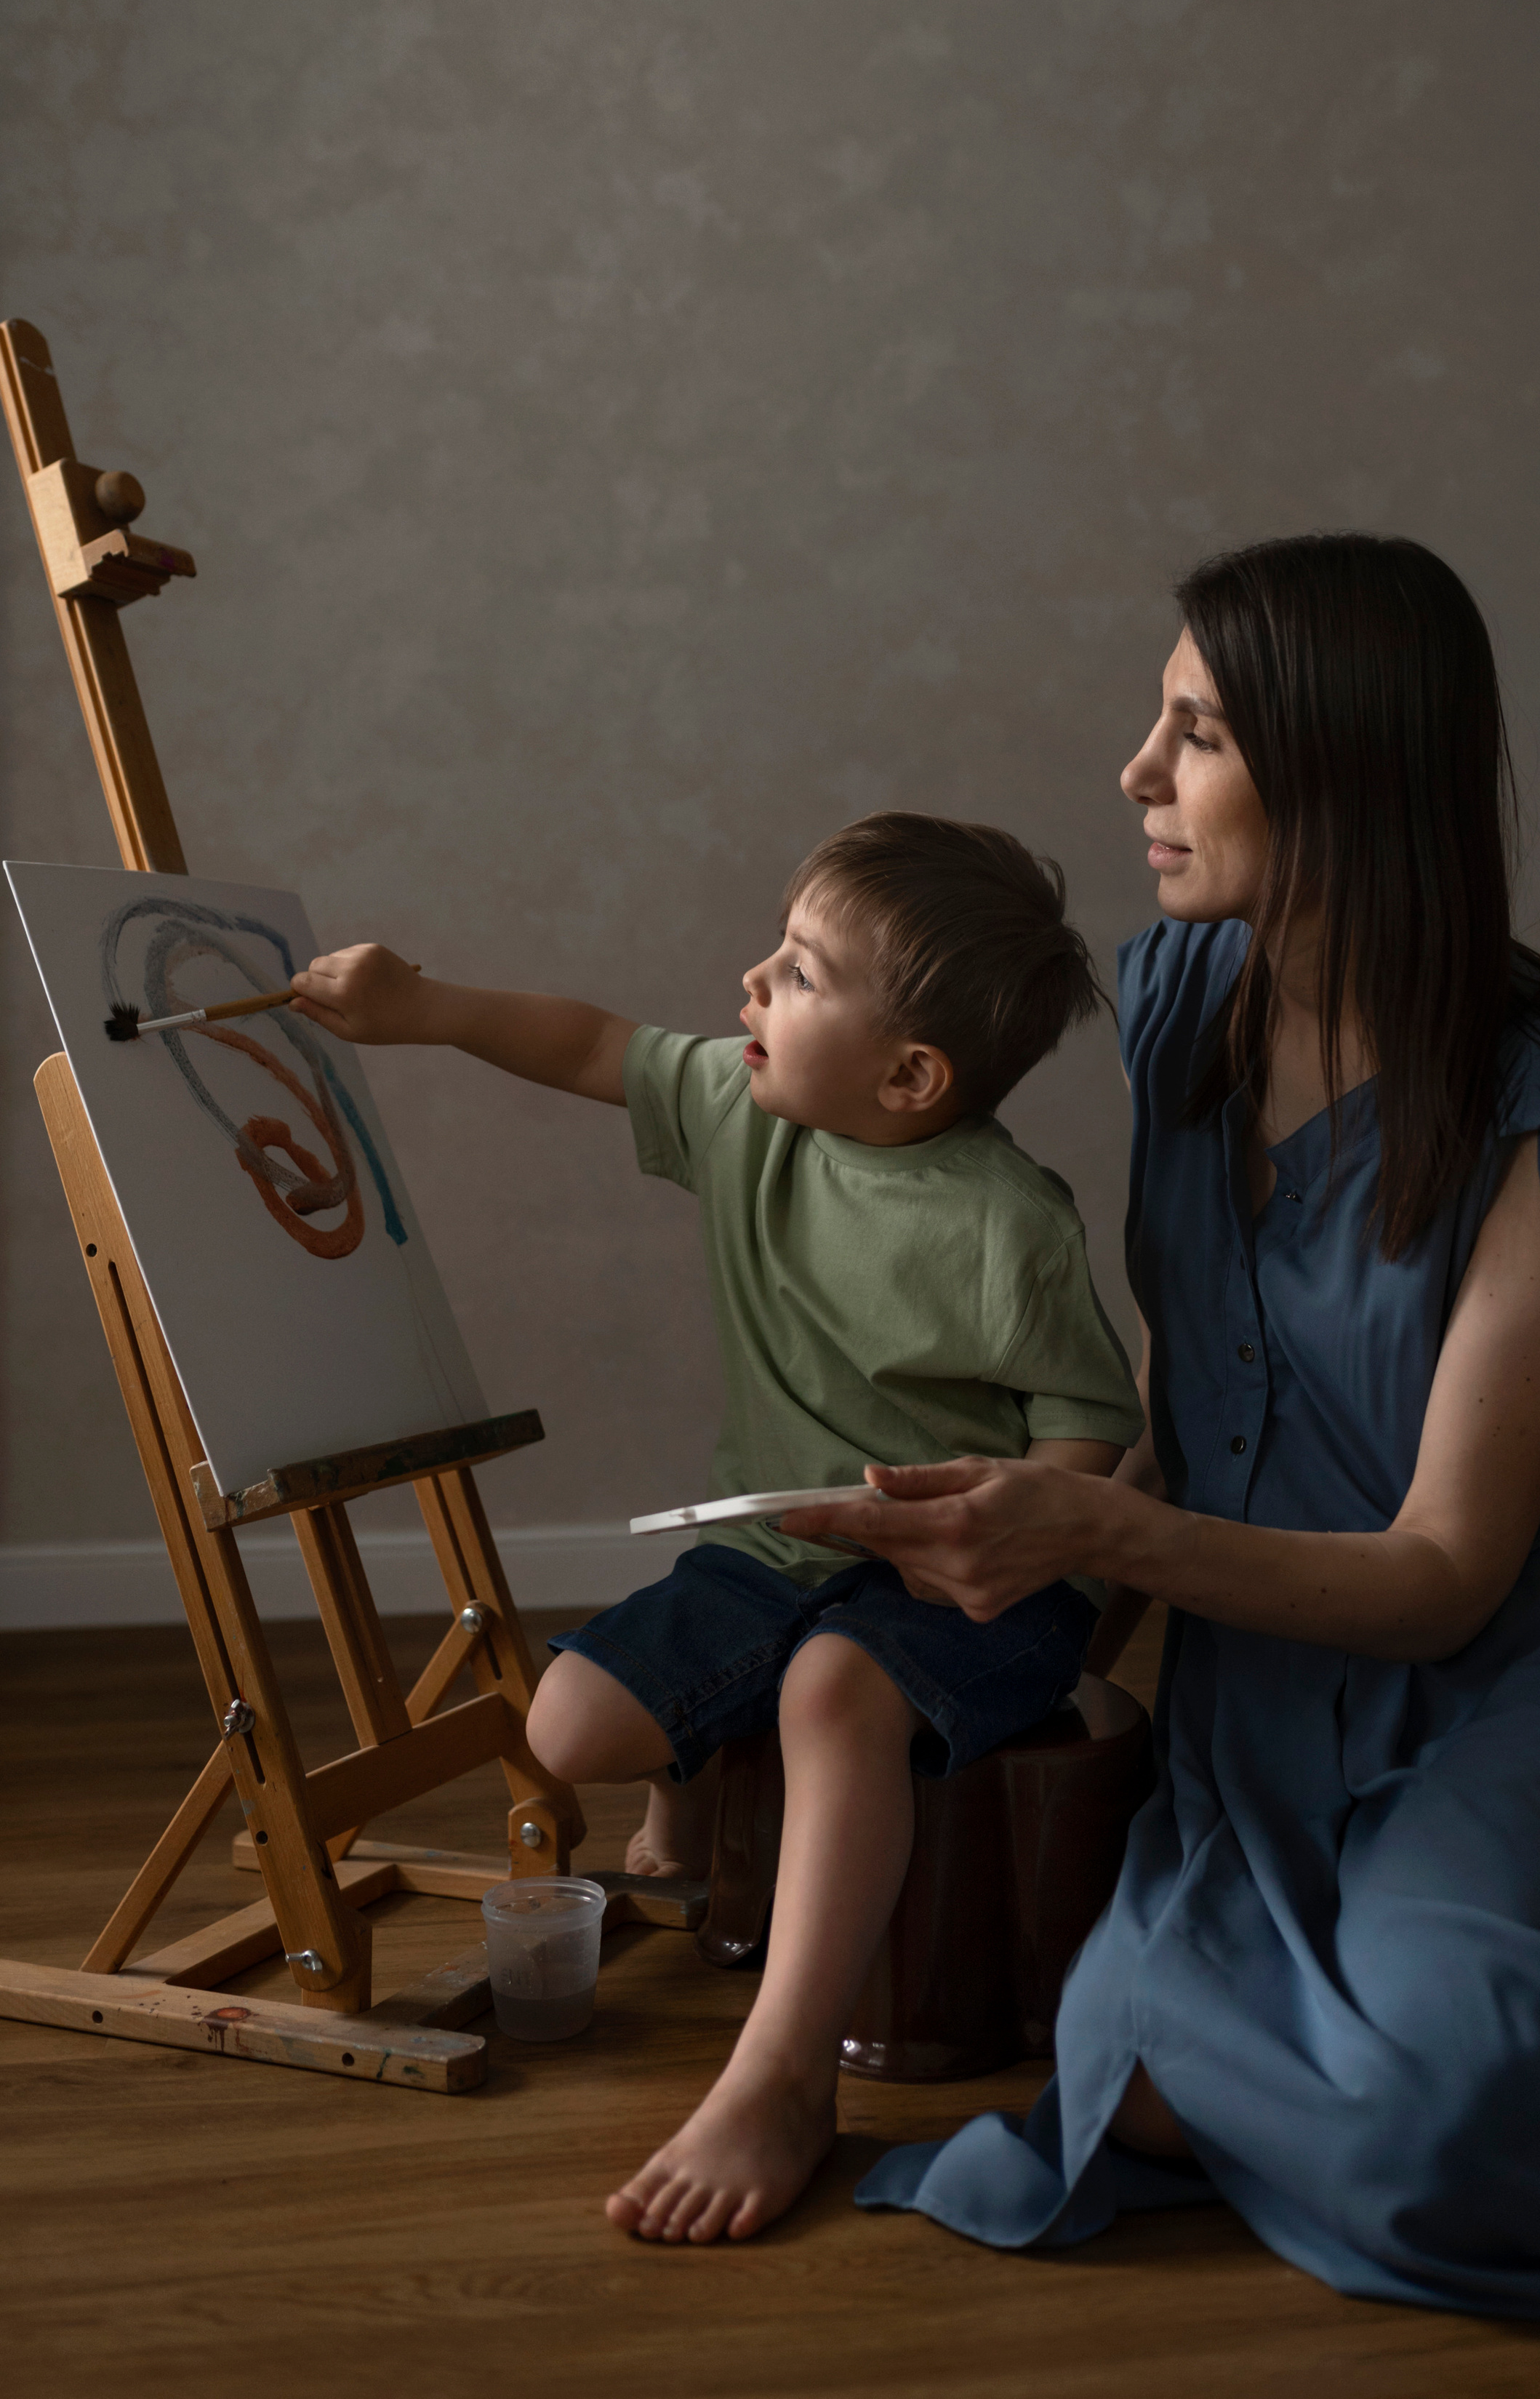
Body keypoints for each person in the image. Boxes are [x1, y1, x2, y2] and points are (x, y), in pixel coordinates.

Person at [783, 537, 1540, 2320]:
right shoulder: (1167, 1001)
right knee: (1125, 2097)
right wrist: (1026, 1545)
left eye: (1193, 731)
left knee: (1449, 2108)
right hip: (1256, 1712)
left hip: (1518, 1691)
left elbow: (1441, 1574)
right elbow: (1191, 1385)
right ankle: (1401, 2040)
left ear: (1344, 770)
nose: (1136, 770)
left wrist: (1101, 1540)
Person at [289, 811, 1143, 2245]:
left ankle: (782, 2077)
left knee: (832, 1689)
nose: (750, 982)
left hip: (963, 1577)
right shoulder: (743, 1111)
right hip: (770, 1546)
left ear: (909, 1074)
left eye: (798, 973)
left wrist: (1000, 1530)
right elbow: (584, 1044)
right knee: (563, 1735)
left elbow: (1084, 1427)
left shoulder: (1009, 1225)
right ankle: (693, 1777)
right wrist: (415, 1010)